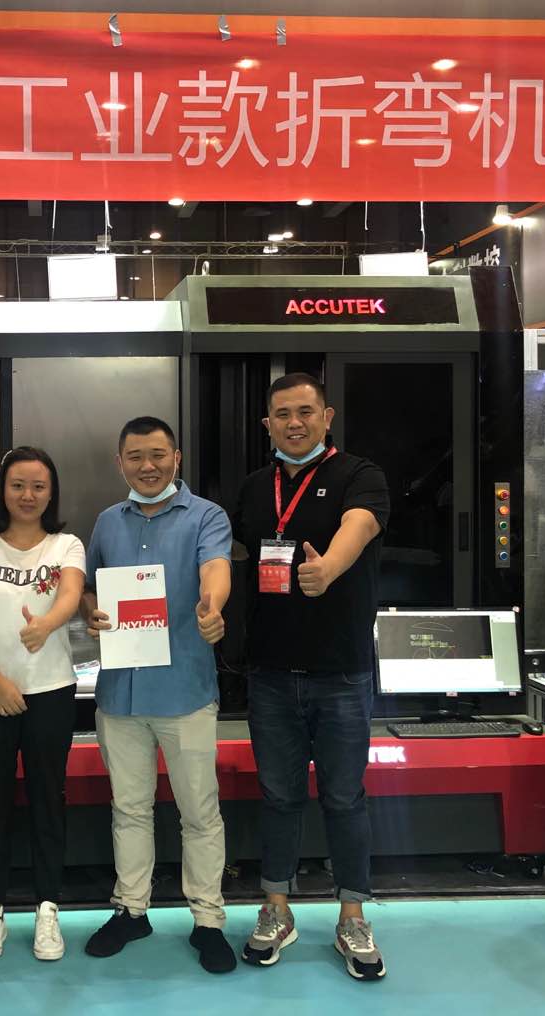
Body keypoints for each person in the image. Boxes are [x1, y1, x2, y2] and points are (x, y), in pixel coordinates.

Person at [231, 372, 390, 981]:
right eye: (282, 414)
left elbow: (359, 527)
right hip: (270, 673)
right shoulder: (254, 488)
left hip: (341, 672)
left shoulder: (359, 474)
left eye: (305, 411)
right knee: (279, 797)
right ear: (267, 425)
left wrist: (329, 570)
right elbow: (231, 559)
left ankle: (353, 915)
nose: (294, 423)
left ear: (327, 417)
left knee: (345, 797)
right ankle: (276, 907)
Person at [79, 415, 236, 975]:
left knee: (200, 812)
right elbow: (89, 586)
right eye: (136, 456)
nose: (148, 466)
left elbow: (216, 568)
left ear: (177, 458)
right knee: (129, 809)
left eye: (158, 455)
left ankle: (208, 919)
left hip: (185, 692)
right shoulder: (107, 522)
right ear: (120, 462)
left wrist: (213, 606)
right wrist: (92, 613)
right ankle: (131, 910)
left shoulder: (206, 516)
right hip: (120, 694)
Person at [0, 447, 86, 962]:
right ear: (2, 490)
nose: (27, 495)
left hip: (51, 689)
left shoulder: (66, 544)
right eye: (17, 485)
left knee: (49, 799)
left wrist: (46, 625)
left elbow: (70, 594)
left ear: (51, 494)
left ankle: (48, 908)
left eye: (38, 487)